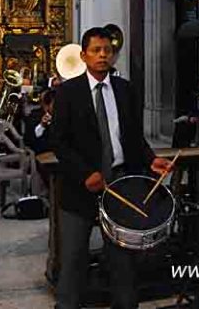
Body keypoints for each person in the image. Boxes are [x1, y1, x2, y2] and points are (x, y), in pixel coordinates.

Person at [48, 27, 172, 309]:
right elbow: (59, 142)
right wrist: (84, 174)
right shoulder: (68, 92)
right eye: (96, 50)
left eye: (107, 50)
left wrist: (150, 159)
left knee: (122, 260)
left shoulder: (126, 90)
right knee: (74, 258)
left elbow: (132, 137)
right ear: (83, 55)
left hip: (120, 185)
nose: (103, 55)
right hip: (80, 188)